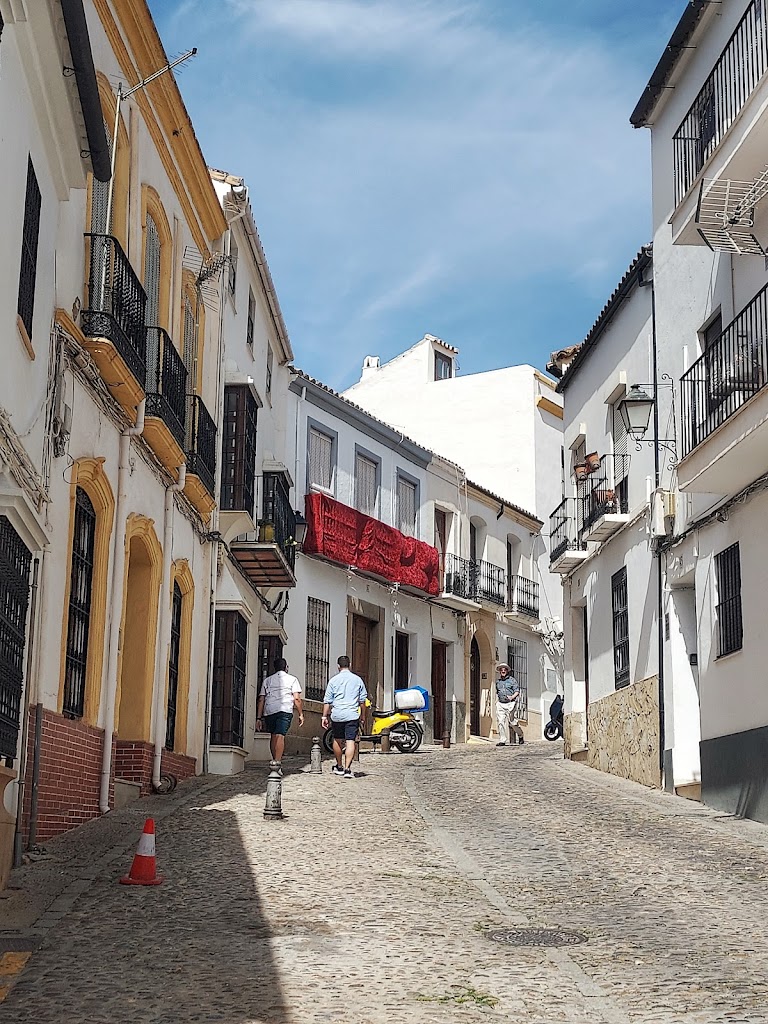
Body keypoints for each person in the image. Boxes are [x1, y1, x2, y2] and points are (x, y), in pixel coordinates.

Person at [322, 655, 367, 779]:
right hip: (352, 714)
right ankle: (348, 769)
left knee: (337, 739)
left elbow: (327, 701)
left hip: (337, 714)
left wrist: (324, 716)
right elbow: (362, 701)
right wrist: (363, 716)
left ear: (338, 666)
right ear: (350, 665)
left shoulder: (333, 680)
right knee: (350, 741)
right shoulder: (357, 680)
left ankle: (339, 766)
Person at [256, 657, 304, 769]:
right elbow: (297, 698)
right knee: (280, 735)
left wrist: (258, 718)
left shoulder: (267, 680)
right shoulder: (292, 679)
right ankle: (277, 763)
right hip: (284, 709)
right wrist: (301, 714)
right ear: (286, 667)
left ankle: (274, 760)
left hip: (270, 710)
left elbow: (261, 699)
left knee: (273, 735)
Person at [495, 662, 524, 747]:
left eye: (504, 669)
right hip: (500, 704)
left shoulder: (512, 680)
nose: (503, 671)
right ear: (500, 671)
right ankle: (502, 740)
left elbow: (517, 691)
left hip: (510, 704)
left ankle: (520, 735)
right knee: (500, 722)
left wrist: (512, 697)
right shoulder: (498, 682)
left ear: (507, 671)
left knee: (512, 723)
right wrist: (496, 701)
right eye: (501, 670)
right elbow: (497, 692)